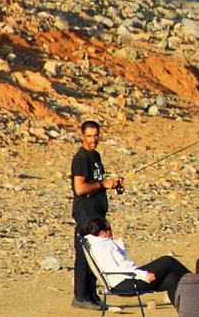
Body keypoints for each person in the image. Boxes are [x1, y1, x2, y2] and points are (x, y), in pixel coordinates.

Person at [71, 119, 122, 311]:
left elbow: (98, 182)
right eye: (89, 136)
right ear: (82, 136)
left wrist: (113, 184)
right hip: (85, 211)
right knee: (85, 255)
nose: (93, 140)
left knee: (96, 253)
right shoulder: (81, 158)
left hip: (97, 211)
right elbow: (80, 188)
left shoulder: (96, 156)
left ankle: (91, 295)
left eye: (96, 135)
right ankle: (81, 296)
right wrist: (103, 184)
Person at [82, 218, 190, 306]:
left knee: (173, 280)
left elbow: (121, 262)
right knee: (167, 261)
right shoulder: (101, 247)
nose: (112, 231)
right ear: (102, 233)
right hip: (125, 284)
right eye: (109, 228)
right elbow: (113, 269)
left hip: (126, 279)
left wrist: (119, 245)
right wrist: (142, 275)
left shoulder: (100, 243)